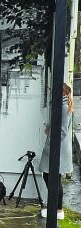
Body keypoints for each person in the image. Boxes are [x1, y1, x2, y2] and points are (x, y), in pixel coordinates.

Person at [38, 83, 74, 220]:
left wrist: (50, 142)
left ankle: (58, 210)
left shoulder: (64, 107)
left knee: (52, 178)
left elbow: (62, 131)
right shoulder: (62, 106)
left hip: (56, 150)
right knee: (51, 178)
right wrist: (48, 126)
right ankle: (56, 208)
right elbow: (57, 125)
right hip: (56, 149)